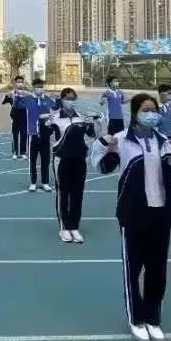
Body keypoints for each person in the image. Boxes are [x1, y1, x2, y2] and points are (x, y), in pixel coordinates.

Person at [91, 93, 171, 341]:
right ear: (135, 113)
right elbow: (102, 167)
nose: (152, 114)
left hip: (161, 213)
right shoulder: (122, 140)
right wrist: (106, 146)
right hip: (134, 214)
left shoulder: (164, 141)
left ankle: (153, 318)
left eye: (154, 110)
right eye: (146, 110)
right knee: (133, 269)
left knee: (157, 269)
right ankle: (136, 320)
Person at [47, 87, 100, 243]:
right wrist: (44, 123)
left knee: (78, 194)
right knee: (63, 193)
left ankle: (74, 226)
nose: (70, 101)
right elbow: (43, 133)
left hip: (79, 159)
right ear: (62, 100)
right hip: (62, 159)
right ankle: (64, 228)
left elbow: (93, 135)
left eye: (73, 98)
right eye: (67, 98)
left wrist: (93, 122)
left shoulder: (81, 118)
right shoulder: (55, 117)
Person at [25, 80, 58, 193]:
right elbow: (19, 105)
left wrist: (58, 98)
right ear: (33, 88)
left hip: (45, 134)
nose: (40, 89)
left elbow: (56, 107)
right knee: (32, 160)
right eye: (37, 87)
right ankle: (33, 182)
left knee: (45, 160)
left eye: (41, 87)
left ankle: (45, 182)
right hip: (33, 133)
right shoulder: (28, 99)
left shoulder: (46, 99)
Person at [2, 76, 31, 160]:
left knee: (24, 135)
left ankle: (23, 152)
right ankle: (15, 152)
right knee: (15, 135)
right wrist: (7, 95)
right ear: (15, 83)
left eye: (21, 82)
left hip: (24, 116)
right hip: (15, 117)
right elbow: (3, 102)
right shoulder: (12, 93)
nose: (20, 83)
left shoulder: (26, 94)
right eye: (18, 82)